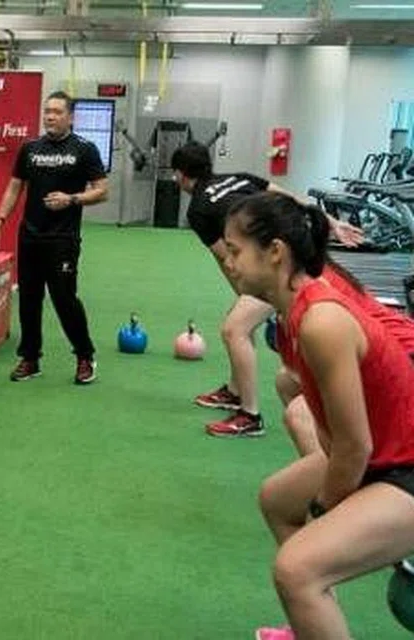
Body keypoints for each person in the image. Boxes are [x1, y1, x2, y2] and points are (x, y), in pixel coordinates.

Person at [220, 192, 414, 640]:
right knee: (277, 499)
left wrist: (326, 508)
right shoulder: (290, 316)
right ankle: (312, 621)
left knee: (296, 569)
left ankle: (310, 591)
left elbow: (353, 446)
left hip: (402, 468)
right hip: (381, 455)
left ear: (275, 252)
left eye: (235, 251)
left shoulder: (320, 321)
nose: (227, 262)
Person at [170, 142, 363, 437]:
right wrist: (332, 222)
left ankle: (250, 416)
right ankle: (235, 391)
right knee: (240, 324)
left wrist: (248, 294)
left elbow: (229, 259)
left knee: (234, 330)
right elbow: (290, 200)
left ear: (181, 175)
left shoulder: (197, 209)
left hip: (282, 268)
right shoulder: (239, 177)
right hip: (299, 249)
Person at [0, 91, 108, 385]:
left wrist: (72, 199)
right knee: (29, 299)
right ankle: (30, 358)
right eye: (47, 111)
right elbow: (14, 188)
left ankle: (84, 355)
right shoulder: (29, 148)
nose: (50, 117)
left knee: (64, 299)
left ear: (70, 117)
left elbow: (102, 190)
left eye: (56, 112)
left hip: (63, 238)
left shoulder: (85, 149)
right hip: (29, 236)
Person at [272, 260, 414, 456]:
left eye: (235, 251)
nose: (230, 263)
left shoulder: (311, 289)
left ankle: (346, 476)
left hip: (404, 354)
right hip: (389, 352)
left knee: (300, 414)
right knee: (287, 381)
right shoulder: (296, 280)